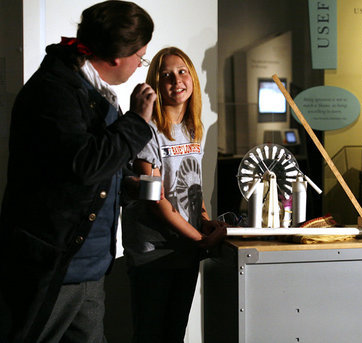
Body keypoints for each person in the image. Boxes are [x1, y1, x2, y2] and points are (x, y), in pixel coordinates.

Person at [0, 1, 156, 342]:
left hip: (88, 268)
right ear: (118, 57)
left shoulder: (89, 90)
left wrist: (123, 186)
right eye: (140, 57)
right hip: (53, 269)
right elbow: (84, 164)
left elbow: (84, 168)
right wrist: (137, 120)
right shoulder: (54, 90)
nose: (139, 65)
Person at [121, 47, 227, 343]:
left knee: (174, 334)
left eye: (182, 72)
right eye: (166, 75)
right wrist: (201, 240)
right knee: (151, 335)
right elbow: (154, 199)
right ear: (155, 84)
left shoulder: (194, 129)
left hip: (185, 250)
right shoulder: (148, 130)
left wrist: (203, 221)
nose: (176, 80)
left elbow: (194, 184)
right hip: (153, 252)